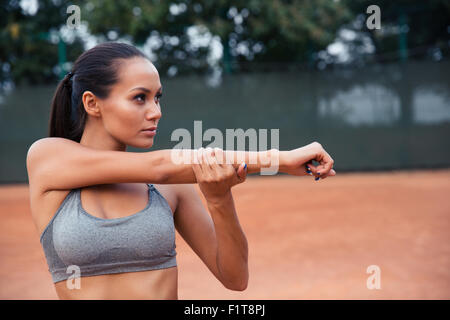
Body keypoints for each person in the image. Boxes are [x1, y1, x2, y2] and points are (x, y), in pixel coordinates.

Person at [25, 42, 336, 300]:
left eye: (157, 97)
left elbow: (235, 278)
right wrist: (278, 160)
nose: (156, 112)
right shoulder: (48, 158)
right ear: (92, 103)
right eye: (139, 98)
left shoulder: (172, 186)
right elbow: (159, 166)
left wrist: (218, 199)